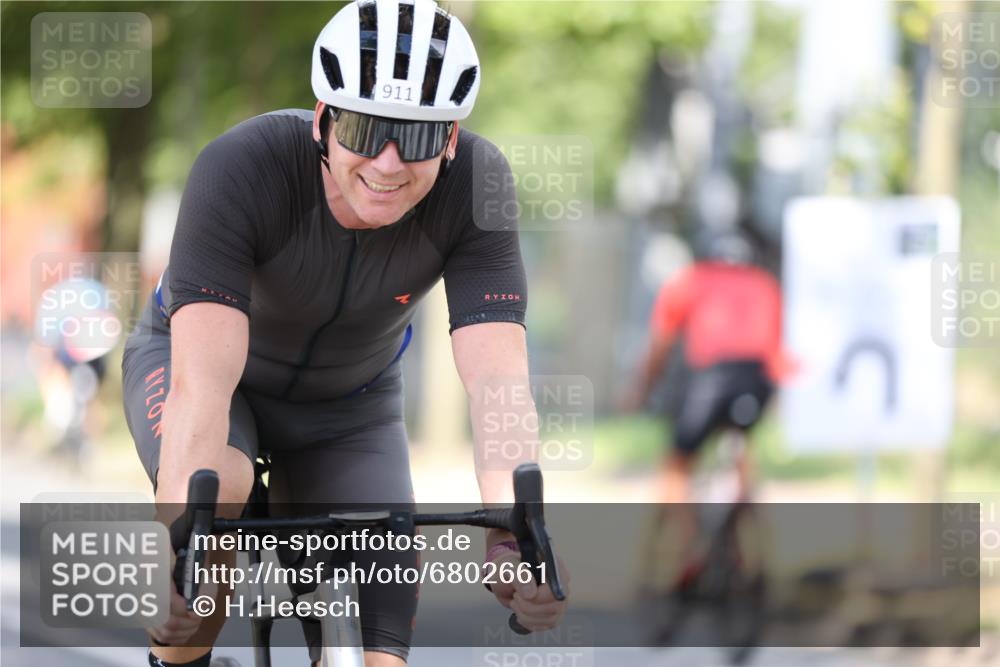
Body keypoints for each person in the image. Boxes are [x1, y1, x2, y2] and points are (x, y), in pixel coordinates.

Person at [121, 2, 567, 665]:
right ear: (323, 121)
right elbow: (200, 390)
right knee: (217, 506)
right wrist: (180, 548)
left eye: (416, 137)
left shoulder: (477, 184)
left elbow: (498, 383)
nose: (388, 164)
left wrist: (512, 539)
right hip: (213, 380)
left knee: (385, 606)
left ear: (449, 139)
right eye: (364, 128)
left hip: (350, 406)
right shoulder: (242, 167)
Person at [627, 228, 786, 507]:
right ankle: (756, 535)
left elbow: (660, 344)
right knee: (742, 445)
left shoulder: (690, 280)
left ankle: (679, 542)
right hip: (757, 381)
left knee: (679, 460)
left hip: (715, 378)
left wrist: (642, 389)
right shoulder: (765, 284)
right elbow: (777, 350)